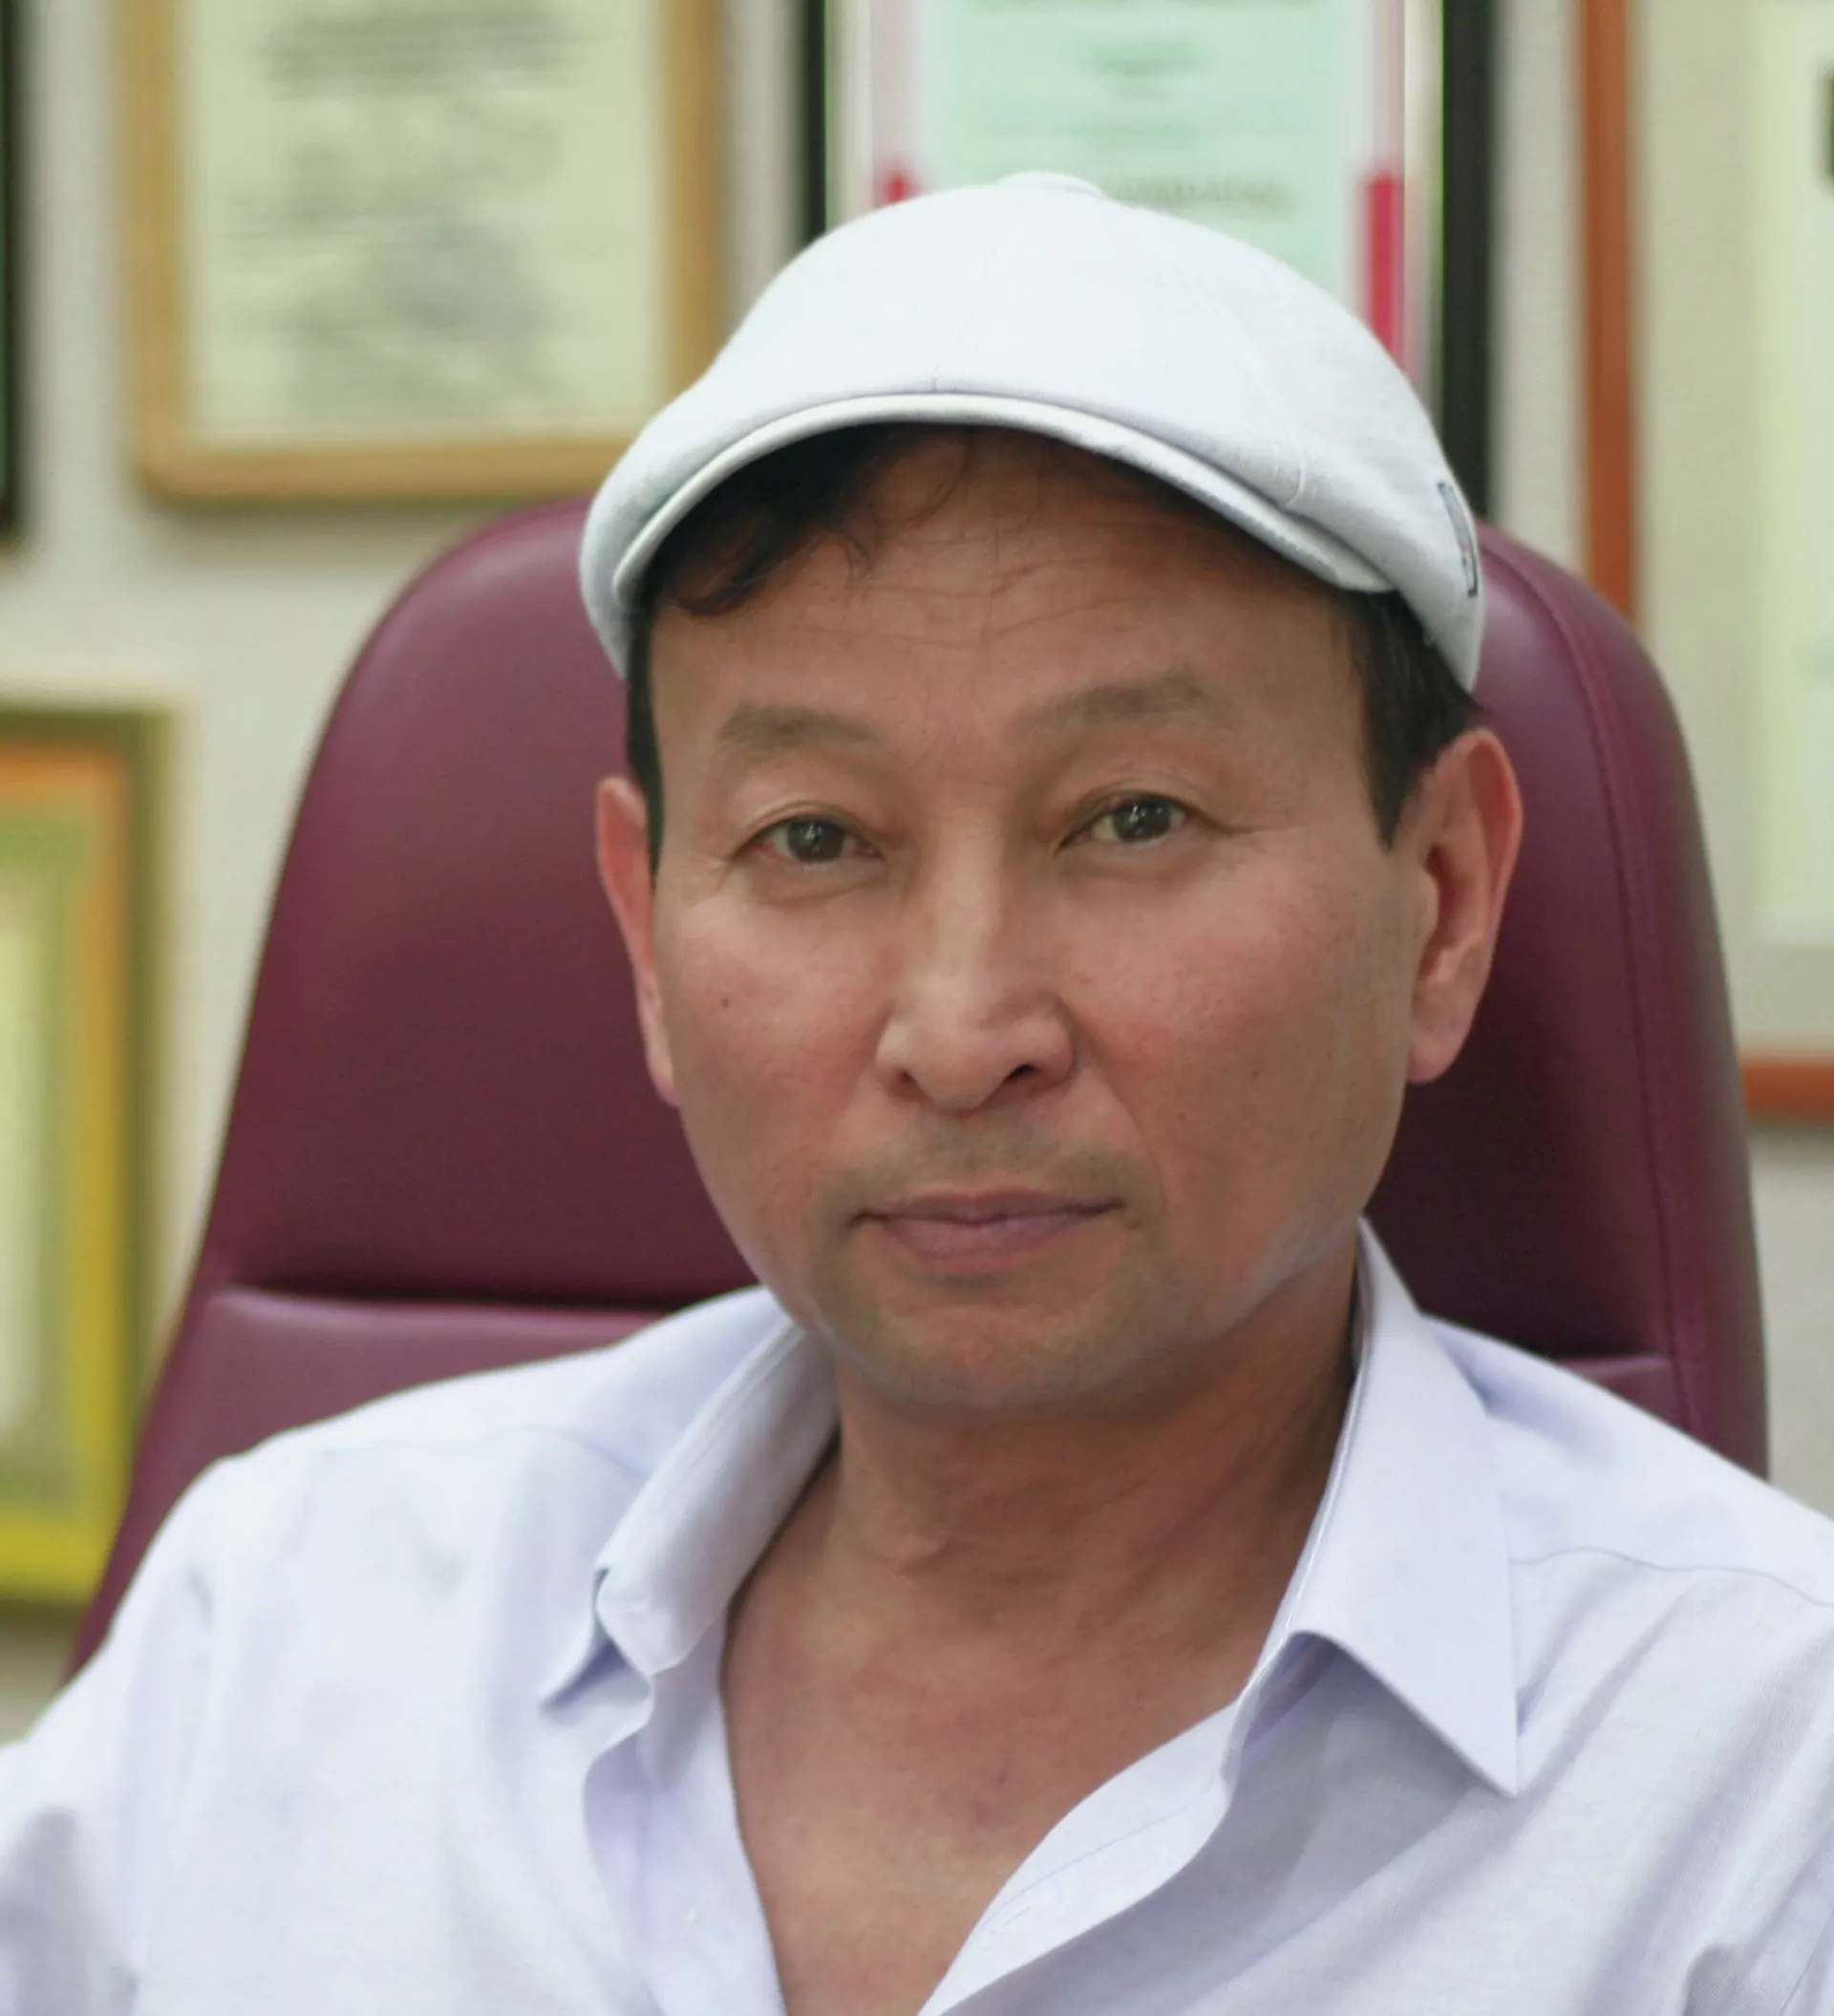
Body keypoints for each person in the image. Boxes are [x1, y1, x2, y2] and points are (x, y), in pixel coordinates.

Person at [3, 174, 1833, 2016]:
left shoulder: (1760, 1782)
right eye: (814, 838)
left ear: (1438, 899)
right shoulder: (285, 1617)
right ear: (646, 934)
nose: (963, 1033)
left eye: (1135, 818)